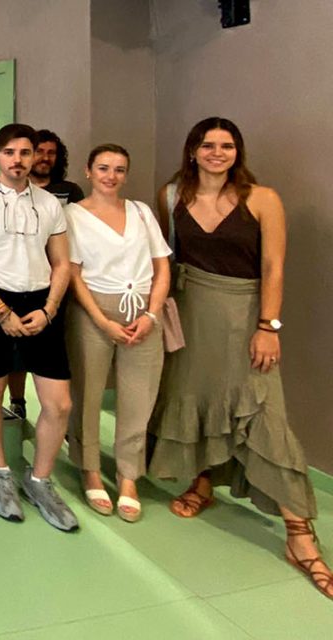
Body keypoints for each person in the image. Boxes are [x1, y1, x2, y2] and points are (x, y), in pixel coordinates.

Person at [148, 118, 330, 599]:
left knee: (263, 413)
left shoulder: (263, 199)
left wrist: (269, 326)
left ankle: (299, 533)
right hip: (190, 317)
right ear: (192, 151)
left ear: (237, 152)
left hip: (246, 316)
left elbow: (273, 266)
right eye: (207, 145)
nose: (217, 153)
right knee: (197, 398)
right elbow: (161, 260)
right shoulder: (170, 197)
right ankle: (203, 482)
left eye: (227, 146)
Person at [0, 123, 78, 532]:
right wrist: (0, 311)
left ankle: (40, 480)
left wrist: (49, 308)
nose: (18, 160)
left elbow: (61, 262)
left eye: (26, 153)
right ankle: (0, 471)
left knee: (59, 403)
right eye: (10, 152)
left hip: (41, 303)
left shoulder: (49, 203)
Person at [63, 144, 169, 523]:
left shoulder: (141, 212)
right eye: (104, 168)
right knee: (88, 394)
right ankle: (90, 468)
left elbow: (162, 266)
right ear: (88, 172)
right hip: (92, 310)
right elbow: (72, 273)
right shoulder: (72, 215)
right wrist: (102, 320)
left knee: (139, 399)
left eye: (119, 169)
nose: (111, 176)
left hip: (142, 310)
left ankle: (128, 477)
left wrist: (153, 315)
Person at [6, 129, 87, 418]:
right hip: (21, 278)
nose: (44, 158)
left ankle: (57, 413)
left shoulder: (70, 191)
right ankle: (18, 401)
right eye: (39, 151)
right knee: (17, 350)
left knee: (55, 349)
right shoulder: (14, 191)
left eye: (51, 153)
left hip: (60, 278)